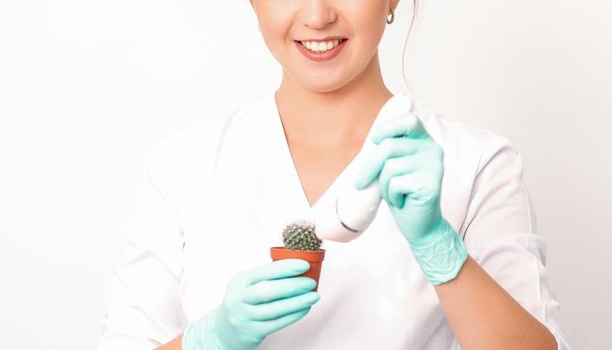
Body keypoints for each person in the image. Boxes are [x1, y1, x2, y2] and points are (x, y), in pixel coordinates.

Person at [98, 0, 571, 349]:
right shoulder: (186, 163)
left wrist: (440, 252)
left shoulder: (477, 164)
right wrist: (211, 339)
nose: (318, 15)